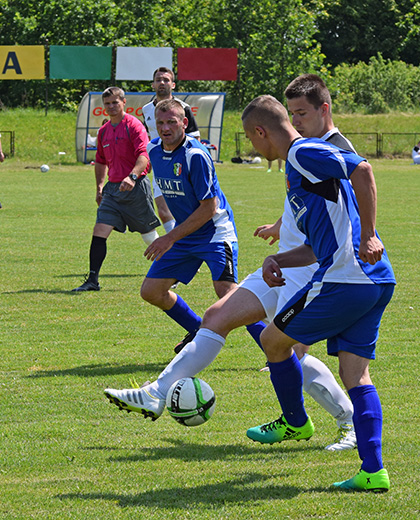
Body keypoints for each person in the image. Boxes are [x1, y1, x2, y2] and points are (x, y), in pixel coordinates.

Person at [104, 75, 359, 454]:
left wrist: (366, 235)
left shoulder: (323, 148)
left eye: (301, 113)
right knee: (217, 315)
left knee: (291, 353)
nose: (297, 120)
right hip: (282, 266)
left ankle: (347, 423)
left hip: (311, 271)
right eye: (292, 114)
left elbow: (350, 200)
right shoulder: (300, 151)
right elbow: (309, 200)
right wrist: (281, 225)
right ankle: (156, 393)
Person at [242, 94, 395, 492]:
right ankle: (373, 471)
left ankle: (294, 421)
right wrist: (277, 260)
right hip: (375, 280)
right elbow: (315, 246)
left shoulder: (303, 153)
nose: (252, 148)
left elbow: (363, 168)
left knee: (274, 340)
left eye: (250, 139)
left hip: (348, 278)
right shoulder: (302, 168)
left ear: (261, 132)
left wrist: (370, 234)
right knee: (354, 373)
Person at [140, 99, 241, 348]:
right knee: (151, 291)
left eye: (171, 122)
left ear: (184, 123)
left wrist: (169, 236)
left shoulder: (195, 156)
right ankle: (198, 330)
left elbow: (209, 208)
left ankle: (277, 352)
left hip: (215, 232)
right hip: (186, 234)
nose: (165, 128)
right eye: (160, 122)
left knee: (228, 293)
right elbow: (157, 178)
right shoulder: (154, 150)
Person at [72, 87, 160, 292]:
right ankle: (93, 280)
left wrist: (132, 176)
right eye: (107, 104)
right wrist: (99, 188)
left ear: (123, 102)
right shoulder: (103, 131)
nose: (111, 107)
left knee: (148, 233)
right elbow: (100, 162)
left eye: (115, 102)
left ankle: (169, 272)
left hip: (135, 187)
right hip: (112, 190)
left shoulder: (134, 125)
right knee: (99, 231)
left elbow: (144, 156)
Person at [141, 67, 202, 234]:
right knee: (162, 210)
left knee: (185, 209)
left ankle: (188, 240)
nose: (162, 83)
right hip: (161, 165)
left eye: (166, 80)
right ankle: (176, 243)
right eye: (158, 79)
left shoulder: (184, 107)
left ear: (173, 85)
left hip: (181, 166)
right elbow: (147, 139)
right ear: (152, 84)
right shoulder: (146, 110)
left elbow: (195, 138)